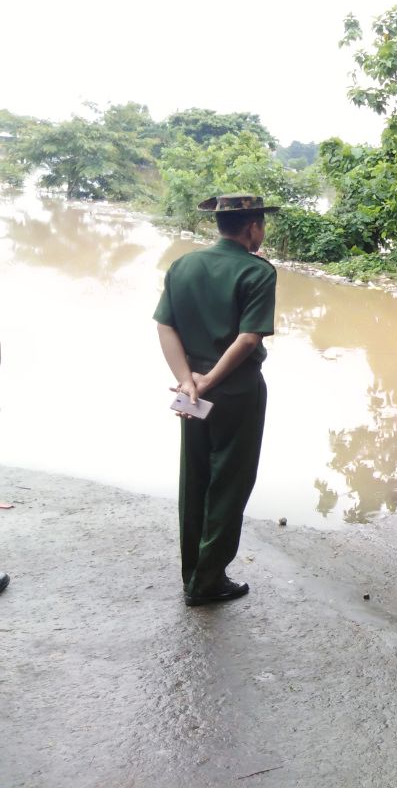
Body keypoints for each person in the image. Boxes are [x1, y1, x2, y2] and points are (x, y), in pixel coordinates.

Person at [154, 193, 278, 607]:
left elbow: (165, 326)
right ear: (253, 227)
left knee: (194, 478)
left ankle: (192, 572)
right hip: (236, 389)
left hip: (190, 391)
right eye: (262, 225)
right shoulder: (257, 272)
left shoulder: (183, 264)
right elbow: (249, 338)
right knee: (229, 482)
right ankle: (207, 581)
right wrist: (209, 381)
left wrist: (187, 381)